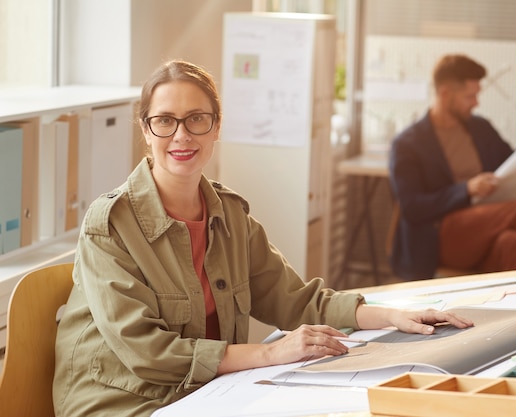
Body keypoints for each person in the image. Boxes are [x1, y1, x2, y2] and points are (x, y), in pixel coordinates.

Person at [52, 60, 474, 416]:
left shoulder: (230, 214)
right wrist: (272, 354)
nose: (181, 135)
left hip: (205, 395)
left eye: (197, 119)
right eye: (164, 121)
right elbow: (146, 351)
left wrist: (393, 317)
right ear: (146, 130)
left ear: (216, 127)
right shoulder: (109, 224)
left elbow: (297, 300)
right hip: (124, 402)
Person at [388, 54, 516, 281]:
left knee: (512, 243)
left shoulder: (481, 129)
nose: (476, 102)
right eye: (470, 96)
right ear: (445, 94)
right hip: (441, 237)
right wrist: (466, 189)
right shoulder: (408, 144)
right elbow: (412, 207)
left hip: (487, 227)